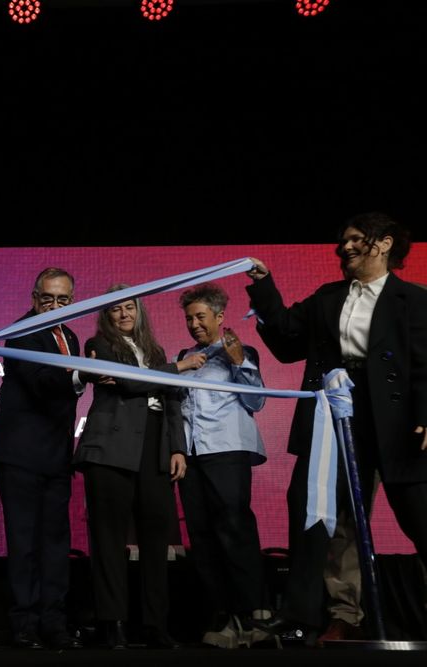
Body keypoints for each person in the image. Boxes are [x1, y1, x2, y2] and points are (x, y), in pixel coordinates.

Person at [247, 212, 427, 643]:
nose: (343, 248)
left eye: (354, 240)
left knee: (421, 517)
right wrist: (264, 285)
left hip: (400, 425)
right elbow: (289, 338)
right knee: (326, 518)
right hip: (335, 419)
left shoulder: (414, 300)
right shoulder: (328, 297)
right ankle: (326, 616)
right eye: (341, 241)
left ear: (383, 244)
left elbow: (424, 366)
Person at [72, 286, 202, 649]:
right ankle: (112, 623)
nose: (125, 314)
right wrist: (177, 368)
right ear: (106, 315)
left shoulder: (156, 352)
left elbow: (172, 396)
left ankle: (154, 625)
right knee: (109, 540)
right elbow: (128, 382)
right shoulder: (98, 344)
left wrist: (177, 447)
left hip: (155, 447)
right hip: (111, 449)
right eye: (116, 309)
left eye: (130, 307)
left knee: (156, 541)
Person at [0, 268, 85, 650]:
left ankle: (54, 623)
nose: (55, 306)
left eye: (63, 300)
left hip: (57, 454)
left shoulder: (71, 337)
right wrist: (82, 376)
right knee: (25, 542)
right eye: (48, 298)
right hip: (20, 454)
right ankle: (24, 624)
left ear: (72, 301)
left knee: (56, 543)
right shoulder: (22, 332)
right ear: (34, 297)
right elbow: (43, 382)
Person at [175, 282, 272, 648]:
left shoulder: (241, 351)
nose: (194, 324)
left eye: (200, 316)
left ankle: (254, 615)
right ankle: (223, 616)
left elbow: (256, 402)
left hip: (227, 449)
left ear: (219, 317)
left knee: (234, 526)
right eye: (189, 318)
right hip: (193, 454)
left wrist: (238, 362)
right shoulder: (184, 356)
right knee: (201, 536)